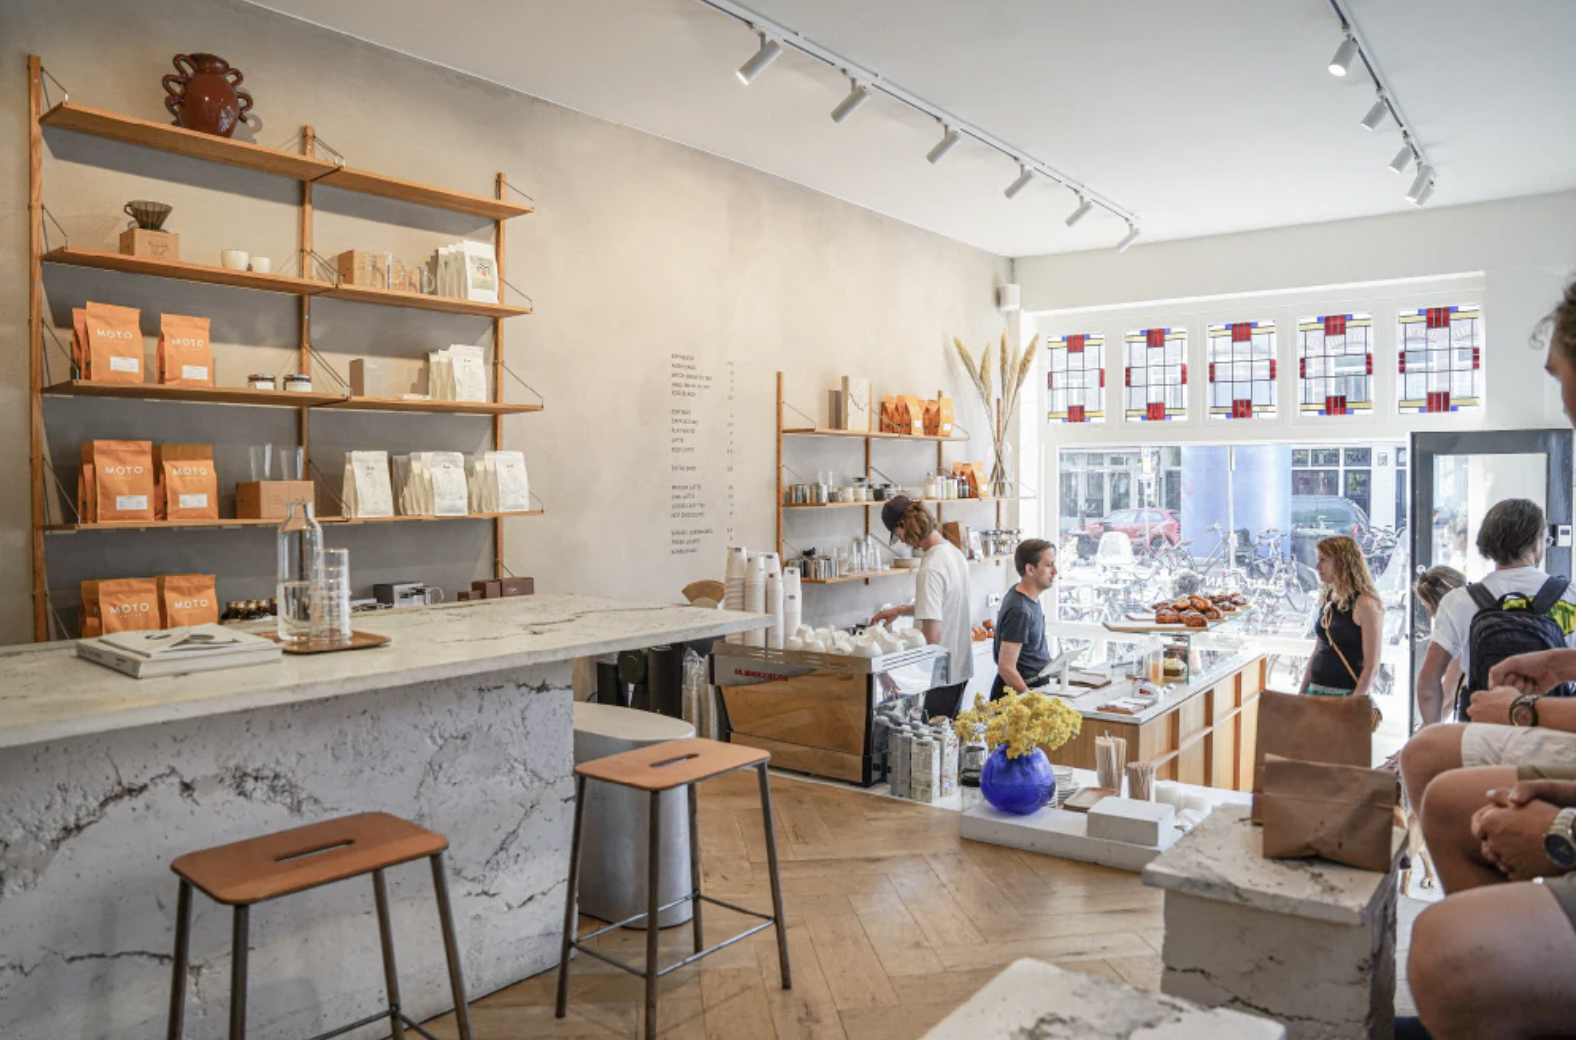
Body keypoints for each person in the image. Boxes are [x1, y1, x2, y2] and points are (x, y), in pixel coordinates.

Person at [1400, 499, 1577, 813]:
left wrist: (1433, 730)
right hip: (1553, 733)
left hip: (1483, 730)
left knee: (1472, 813)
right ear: (1537, 542)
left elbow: (1428, 682)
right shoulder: (1571, 595)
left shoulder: (1459, 601)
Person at [875, 495, 972, 719]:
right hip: (959, 668)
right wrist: (900, 611)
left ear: (904, 525)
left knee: (929, 740)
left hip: (939, 676)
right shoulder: (953, 553)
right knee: (947, 736)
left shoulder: (931, 568)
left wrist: (889, 669)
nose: (902, 541)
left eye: (898, 534)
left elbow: (930, 641)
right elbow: (942, 603)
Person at [1298, 535, 1384, 699]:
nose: (1317, 566)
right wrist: (1302, 692)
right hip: (1316, 692)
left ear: (1341, 563)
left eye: (1323, 560)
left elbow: (1372, 667)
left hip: (1346, 695)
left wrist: (1353, 705)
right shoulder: (1328, 596)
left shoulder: (1365, 603)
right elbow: (1318, 649)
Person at [993, 539, 1056, 695]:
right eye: (1049, 565)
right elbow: (1006, 668)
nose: (1055, 571)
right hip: (1017, 696)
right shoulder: (1020, 610)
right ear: (1030, 569)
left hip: (1035, 687)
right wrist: (1030, 699)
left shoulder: (1028, 598)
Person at [1414, 565, 1466, 725]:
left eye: (1427, 606)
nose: (1429, 614)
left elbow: (1446, 700)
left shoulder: (1458, 628)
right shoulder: (1480, 609)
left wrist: (1418, 738)